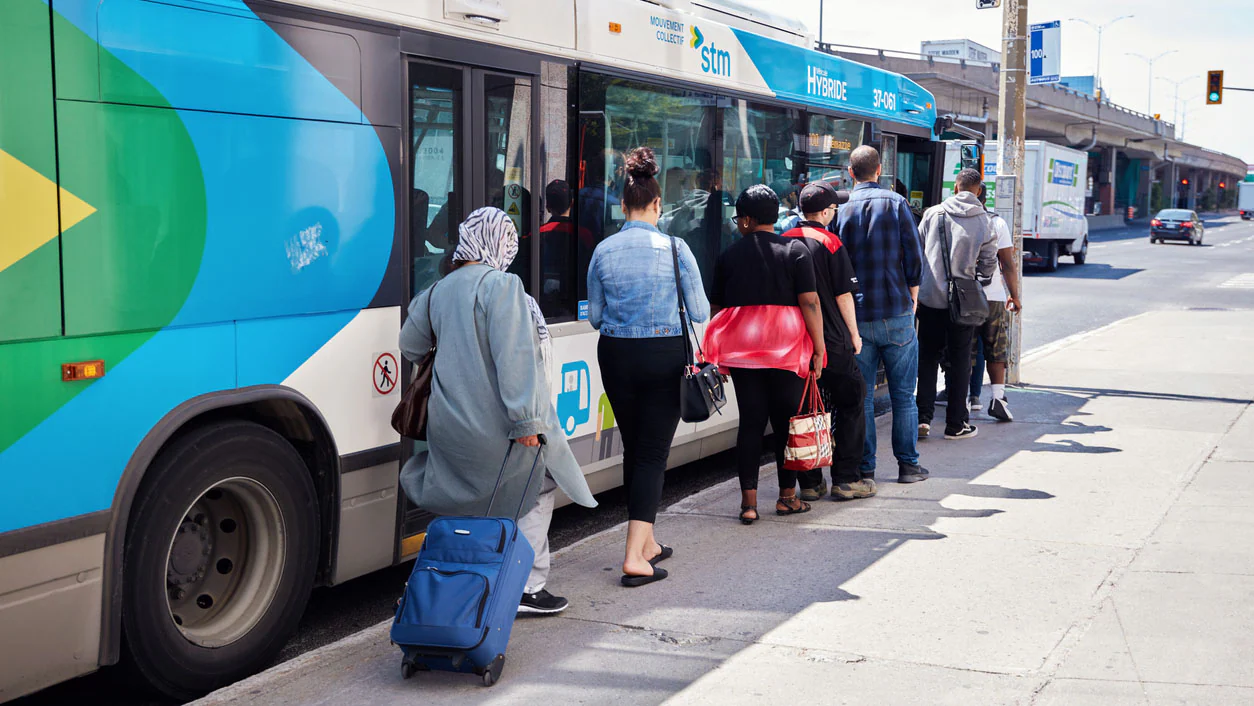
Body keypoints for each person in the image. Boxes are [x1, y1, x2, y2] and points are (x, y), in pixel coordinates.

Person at [398, 207, 597, 615]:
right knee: (537, 488)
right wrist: (526, 421)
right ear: (501, 245)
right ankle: (527, 587)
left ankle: (459, 584)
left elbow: (410, 346)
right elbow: (516, 359)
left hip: (448, 427)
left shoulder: (438, 290)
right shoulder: (504, 287)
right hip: (498, 429)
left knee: (467, 502)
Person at [587, 147, 710, 588]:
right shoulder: (677, 248)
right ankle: (633, 558)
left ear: (623, 204)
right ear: (658, 204)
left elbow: (597, 317)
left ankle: (647, 543)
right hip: (664, 357)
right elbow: (698, 311)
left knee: (636, 448)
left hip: (616, 357)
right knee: (654, 453)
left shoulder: (603, 250)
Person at [704, 184, 827, 523]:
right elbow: (810, 302)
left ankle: (748, 504)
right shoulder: (796, 250)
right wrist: (819, 347)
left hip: (744, 353)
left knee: (751, 425)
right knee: (786, 424)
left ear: (746, 220)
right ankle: (787, 498)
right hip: (788, 351)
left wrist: (716, 347)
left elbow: (718, 307)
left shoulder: (729, 256)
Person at [835, 145, 929, 484]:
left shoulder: (840, 211)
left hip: (856, 318)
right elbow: (913, 256)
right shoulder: (896, 203)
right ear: (879, 170)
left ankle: (866, 468)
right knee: (904, 396)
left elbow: (836, 266)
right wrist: (912, 296)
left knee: (864, 401)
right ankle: (908, 466)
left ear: (851, 172)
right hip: (896, 311)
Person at [781, 182, 872, 502]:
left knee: (806, 408)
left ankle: (810, 482)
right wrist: (854, 335)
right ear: (824, 212)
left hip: (794, 344)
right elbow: (843, 295)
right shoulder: (831, 242)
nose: (835, 213)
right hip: (832, 342)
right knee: (852, 400)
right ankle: (846, 479)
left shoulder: (783, 241)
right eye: (833, 208)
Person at [915, 168, 999, 440]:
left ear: (955, 187)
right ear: (978, 191)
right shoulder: (984, 220)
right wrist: (979, 280)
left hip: (929, 299)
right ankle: (955, 424)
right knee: (961, 360)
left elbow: (917, 250)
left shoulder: (933, 213)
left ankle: (922, 419)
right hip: (963, 302)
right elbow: (989, 262)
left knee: (927, 358)